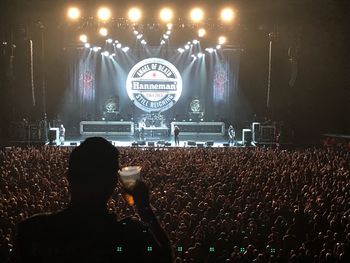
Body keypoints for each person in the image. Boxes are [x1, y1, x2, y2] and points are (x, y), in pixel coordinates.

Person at [11, 137, 173, 262]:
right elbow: (165, 257)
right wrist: (145, 210)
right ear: (114, 182)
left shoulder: (33, 231)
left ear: (69, 177)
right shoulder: (129, 235)